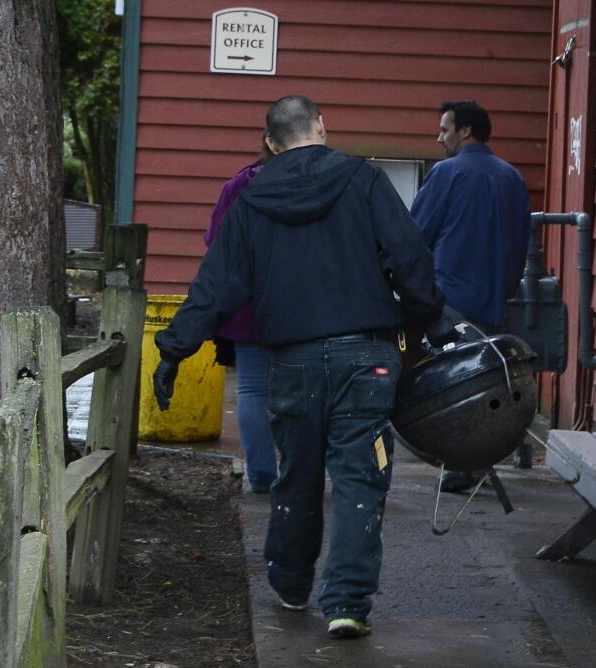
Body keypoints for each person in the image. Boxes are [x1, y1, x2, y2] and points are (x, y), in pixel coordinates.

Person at [152, 96, 459, 640]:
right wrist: (431, 322)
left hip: (290, 358)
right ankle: (347, 603)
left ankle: (292, 584)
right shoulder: (363, 181)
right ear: (321, 127)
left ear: (271, 143)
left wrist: (175, 349)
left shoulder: (249, 199)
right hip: (367, 357)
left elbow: (218, 284)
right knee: (360, 475)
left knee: (297, 471)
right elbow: (408, 253)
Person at [410, 100, 531, 491]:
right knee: (487, 381)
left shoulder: (447, 173)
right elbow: (522, 241)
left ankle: (462, 466)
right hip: (498, 296)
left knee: (453, 385)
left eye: (444, 129)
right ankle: (477, 463)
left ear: (466, 131)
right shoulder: (512, 176)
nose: (439, 137)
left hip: (452, 296)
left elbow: (416, 234)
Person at [205, 136, 276, 494]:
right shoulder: (322, 183)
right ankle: (299, 475)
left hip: (248, 306)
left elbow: (216, 243)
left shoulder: (241, 186)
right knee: (306, 391)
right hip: (305, 308)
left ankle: (263, 473)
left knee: (252, 390)